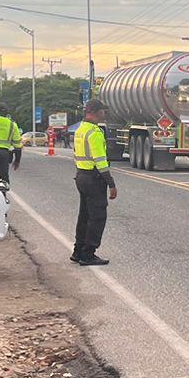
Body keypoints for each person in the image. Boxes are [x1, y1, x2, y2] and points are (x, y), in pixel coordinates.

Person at [71, 100, 117, 266]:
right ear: (95, 112)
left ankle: (78, 251)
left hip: (81, 175)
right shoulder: (95, 132)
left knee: (84, 216)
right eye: (102, 111)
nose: (104, 114)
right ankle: (88, 253)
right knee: (97, 217)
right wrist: (111, 183)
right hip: (94, 178)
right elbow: (100, 161)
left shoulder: (81, 130)